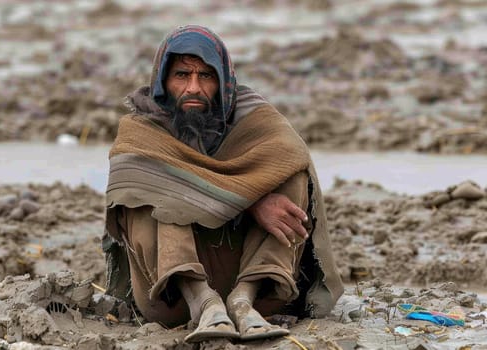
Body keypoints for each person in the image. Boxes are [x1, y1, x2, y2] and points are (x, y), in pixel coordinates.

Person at [102, 25, 343, 343]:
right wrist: (253, 201)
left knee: (291, 174)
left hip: (261, 296)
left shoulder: (255, 120)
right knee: (144, 184)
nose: (193, 87)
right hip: (173, 299)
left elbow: (293, 154)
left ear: (223, 81)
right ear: (163, 80)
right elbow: (157, 181)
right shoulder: (140, 131)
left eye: (206, 76)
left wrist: (253, 193)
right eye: (182, 75)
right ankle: (205, 301)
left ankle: (242, 300)